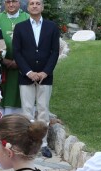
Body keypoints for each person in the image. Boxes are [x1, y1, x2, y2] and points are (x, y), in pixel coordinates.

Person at [13, 0, 60, 158]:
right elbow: (17, 52)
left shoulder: (52, 27)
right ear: (28, 6)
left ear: (42, 7)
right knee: (26, 111)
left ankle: (43, 144)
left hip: (45, 77)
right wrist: (28, 72)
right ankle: (28, 143)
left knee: (43, 111)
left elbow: (55, 52)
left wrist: (45, 72)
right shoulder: (20, 27)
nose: (34, 6)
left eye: (37, 3)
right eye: (32, 3)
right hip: (26, 76)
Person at [0, 0, 29, 115]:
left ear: (19, 2)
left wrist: (20, 61)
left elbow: (32, 42)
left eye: (14, 1)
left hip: (23, 65)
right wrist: (2, 59)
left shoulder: (27, 17)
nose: (11, 5)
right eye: (8, 2)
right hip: (3, 64)